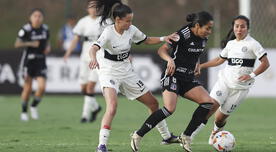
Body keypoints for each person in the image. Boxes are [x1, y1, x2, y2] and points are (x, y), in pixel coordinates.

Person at [89, 0, 180, 151]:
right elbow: (93, 48)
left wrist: (164, 38)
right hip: (109, 71)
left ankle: (166, 136)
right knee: (112, 107)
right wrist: (93, 58)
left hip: (127, 71)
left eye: (131, 20)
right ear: (118, 20)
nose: (130, 23)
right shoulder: (108, 32)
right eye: (128, 20)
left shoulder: (131, 29)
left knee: (153, 104)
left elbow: (146, 40)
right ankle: (102, 145)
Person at [131, 11, 216, 152]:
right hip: (172, 75)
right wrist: (169, 59)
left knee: (208, 103)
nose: (209, 32)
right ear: (197, 25)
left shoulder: (203, 38)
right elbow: (161, 50)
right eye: (207, 28)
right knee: (169, 109)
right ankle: (138, 135)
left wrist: (197, 62)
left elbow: (195, 52)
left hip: (188, 77)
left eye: (211, 28)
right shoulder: (182, 34)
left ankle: (186, 136)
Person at [198, 15, 270, 145]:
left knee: (219, 118)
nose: (239, 29)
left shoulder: (253, 44)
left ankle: (215, 132)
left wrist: (251, 75)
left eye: (243, 26)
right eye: (237, 26)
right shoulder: (230, 44)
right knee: (209, 107)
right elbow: (220, 60)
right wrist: (202, 65)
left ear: (247, 28)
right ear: (233, 28)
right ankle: (188, 135)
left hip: (240, 89)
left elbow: (265, 63)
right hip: (224, 82)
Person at [63, 0, 107, 123]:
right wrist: (68, 52)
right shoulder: (83, 21)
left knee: (90, 87)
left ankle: (85, 116)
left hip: (98, 57)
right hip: (85, 57)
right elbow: (75, 38)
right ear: (87, 9)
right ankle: (96, 107)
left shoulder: (104, 21)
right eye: (91, 7)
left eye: (95, 7)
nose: (93, 9)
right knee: (83, 88)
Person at [15, 8, 51, 121]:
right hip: (28, 62)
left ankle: (33, 106)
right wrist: (31, 43)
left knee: (42, 87)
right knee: (28, 88)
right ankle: (24, 111)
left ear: (42, 18)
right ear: (30, 17)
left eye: (39, 16)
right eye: (35, 16)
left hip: (41, 61)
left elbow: (47, 41)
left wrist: (48, 47)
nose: (37, 18)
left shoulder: (45, 29)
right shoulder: (26, 29)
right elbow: (17, 43)